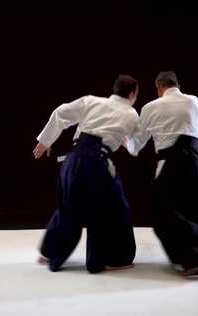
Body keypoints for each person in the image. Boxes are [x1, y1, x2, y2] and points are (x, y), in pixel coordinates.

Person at [124, 71, 198, 276]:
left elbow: (137, 145)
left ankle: (192, 260)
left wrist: (127, 143)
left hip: (171, 160)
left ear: (159, 87)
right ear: (177, 84)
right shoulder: (193, 101)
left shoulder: (150, 107)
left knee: (163, 212)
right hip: (195, 159)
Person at [33, 74, 139, 274]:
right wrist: (129, 145)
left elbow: (61, 112)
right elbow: (136, 144)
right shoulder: (132, 114)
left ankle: (50, 253)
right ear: (132, 94)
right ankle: (111, 260)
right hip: (97, 161)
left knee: (68, 206)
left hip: (72, 158)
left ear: (115, 90)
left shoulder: (92, 101)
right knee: (112, 208)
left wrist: (46, 140)